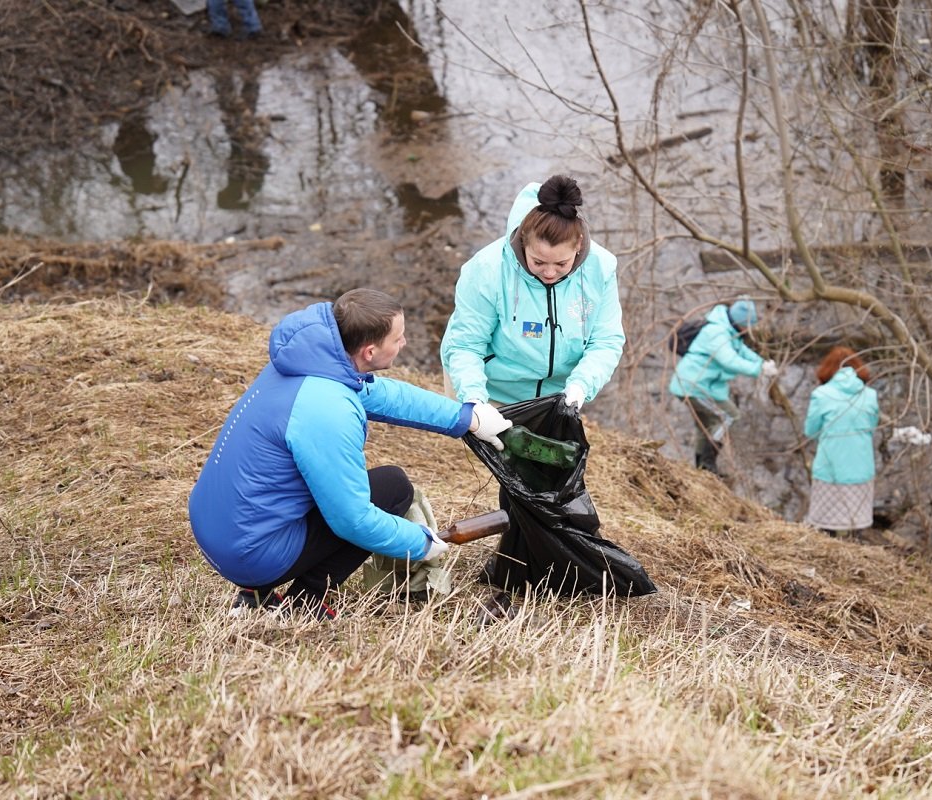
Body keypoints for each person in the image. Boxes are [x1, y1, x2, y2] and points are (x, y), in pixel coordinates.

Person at [187, 289, 512, 619]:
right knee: (392, 489)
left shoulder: (311, 363)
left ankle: (256, 595)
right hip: (250, 554)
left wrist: (467, 418)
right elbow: (353, 521)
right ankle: (306, 600)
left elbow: (387, 396)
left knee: (342, 485)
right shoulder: (328, 411)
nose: (405, 344)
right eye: (398, 338)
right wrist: (419, 542)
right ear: (370, 351)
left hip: (217, 524)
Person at [440, 174, 625, 412]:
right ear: (524, 242)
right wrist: (474, 400)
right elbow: (466, 345)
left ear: (578, 244)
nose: (549, 273)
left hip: (554, 398)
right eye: (538, 262)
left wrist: (580, 386)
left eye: (561, 264)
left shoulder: (601, 268)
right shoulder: (487, 269)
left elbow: (606, 341)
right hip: (487, 388)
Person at [667, 299, 778, 474]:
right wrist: (759, 369)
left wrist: (762, 363)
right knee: (729, 417)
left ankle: (703, 469)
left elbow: (741, 351)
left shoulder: (728, 330)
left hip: (704, 387)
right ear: (740, 322)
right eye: (747, 325)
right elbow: (729, 361)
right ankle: (707, 464)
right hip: (693, 386)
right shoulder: (716, 333)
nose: (749, 330)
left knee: (706, 424)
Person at [803, 346, 880, 534]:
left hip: (830, 471)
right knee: (857, 526)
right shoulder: (869, 396)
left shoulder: (821, 395)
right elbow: (872, 427)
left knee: (825, 528)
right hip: (861, 470)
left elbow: (810, 431)